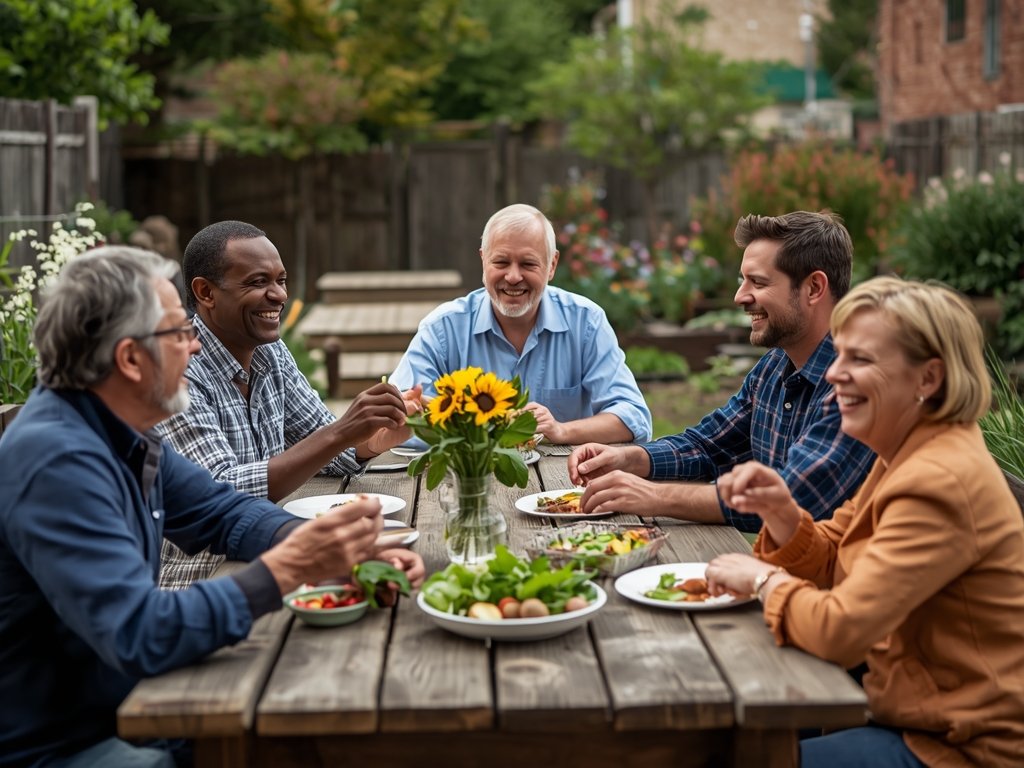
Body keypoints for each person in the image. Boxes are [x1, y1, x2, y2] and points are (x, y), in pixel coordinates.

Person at [0, 247, 424, 768]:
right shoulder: (56, 462)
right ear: (131, 359)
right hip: (71, 744)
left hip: (131, 705)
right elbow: (141, 633)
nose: (196, 346)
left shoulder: (120, 432)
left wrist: (347, 552)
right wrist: (289, 568)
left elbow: (224, 513)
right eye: (178, 333)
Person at [705, 277, 1024, 767]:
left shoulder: (937, 479)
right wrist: (784, 515)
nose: (834, 374)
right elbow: (838, 553)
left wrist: (765, 579)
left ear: (928, 379)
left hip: (958, 746)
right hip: (903, 712)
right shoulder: (907, 448)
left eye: (861, 359)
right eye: (840, 354)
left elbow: (841, 629)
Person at [568, 211, 875, 531]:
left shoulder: (854, 384)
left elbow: (790, 500)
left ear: (813, 288)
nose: (740, 296)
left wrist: (654, 496)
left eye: (758, 282)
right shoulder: (775, 366)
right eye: (743, 280)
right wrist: (631, 459)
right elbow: (709, 446)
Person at [157, 220, 421, 589]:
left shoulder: (271, 352)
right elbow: (219, 496)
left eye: (281, 280)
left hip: (272, 557)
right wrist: (342, 431)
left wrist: (373, 438)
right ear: (205, 292)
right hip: (199, 581)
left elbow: (330, 449)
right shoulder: (178, 368)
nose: (279, 295)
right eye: (258, 282)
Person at [388, 203, 652, 445]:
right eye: (501, 262)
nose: (513, 277)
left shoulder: (586, 322)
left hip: (563, 485)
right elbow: (399, 418)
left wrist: (561, 430)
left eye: (528, 264)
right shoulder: (442, 329)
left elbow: (633, 416)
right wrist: (484, 425)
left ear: (551, 265)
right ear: (483, 260)